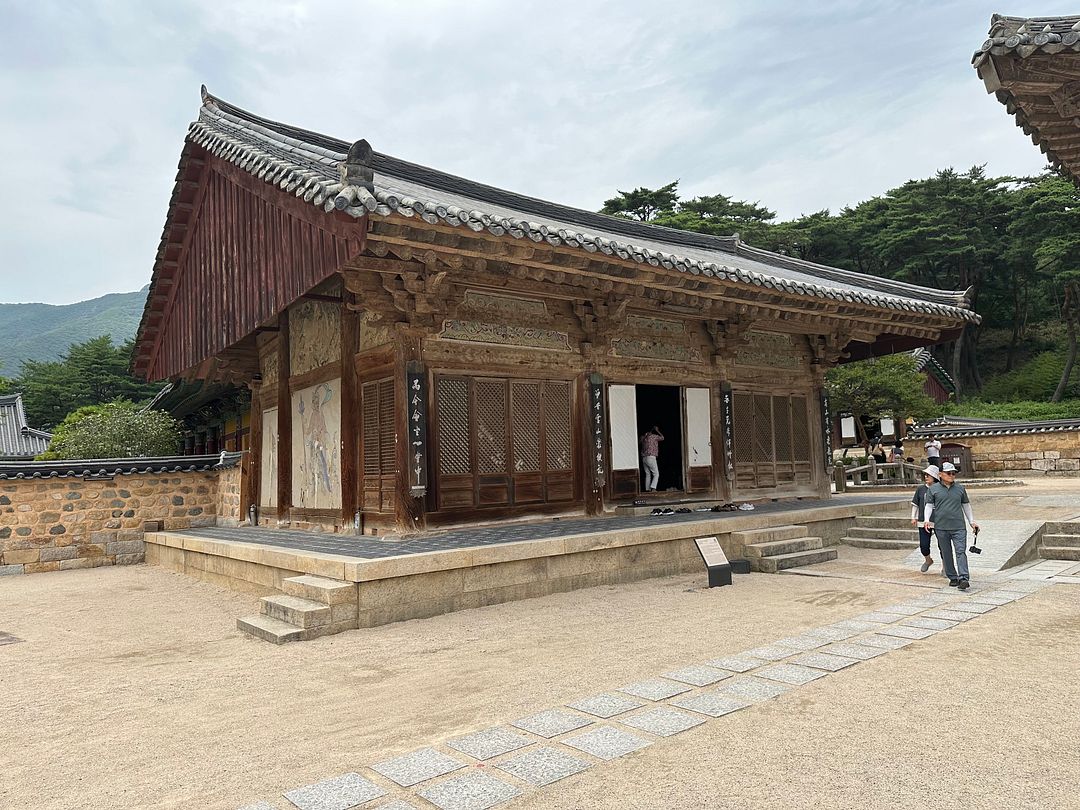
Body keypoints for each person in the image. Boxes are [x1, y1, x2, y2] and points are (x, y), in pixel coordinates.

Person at [924, 461, 980, 591]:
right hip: (941, 527)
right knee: (946, 552)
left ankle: (964, 578)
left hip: (959, 527)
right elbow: (929, 506)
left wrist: (972, 521)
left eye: (953, 473)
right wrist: (927, 520)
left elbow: (966, 505)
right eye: (948, 473)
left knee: (960, 551)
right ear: (940, 475)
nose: (951, 475)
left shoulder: (960, 489)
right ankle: (952, 577)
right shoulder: (933, 489)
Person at [910, 465, 939, 573]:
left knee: (943, 545)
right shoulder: (921, 489)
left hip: (938, 521)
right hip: (923, 520)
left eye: (929, 475)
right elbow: (915, 503)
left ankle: (946, 566)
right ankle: (928, 560)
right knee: (924, 545)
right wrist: (913, 517)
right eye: (925, 475)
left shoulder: (940, 488)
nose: (926, 477)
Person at [640, 425, 664, 492]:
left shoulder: (643, 437)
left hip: (644, 458)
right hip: (651, 457)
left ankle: (647, 489)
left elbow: (640, 442)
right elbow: (662, 438)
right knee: (656, 473)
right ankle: (653, 488)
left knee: (647, 474)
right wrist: (657, 430)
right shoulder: (653, 436)